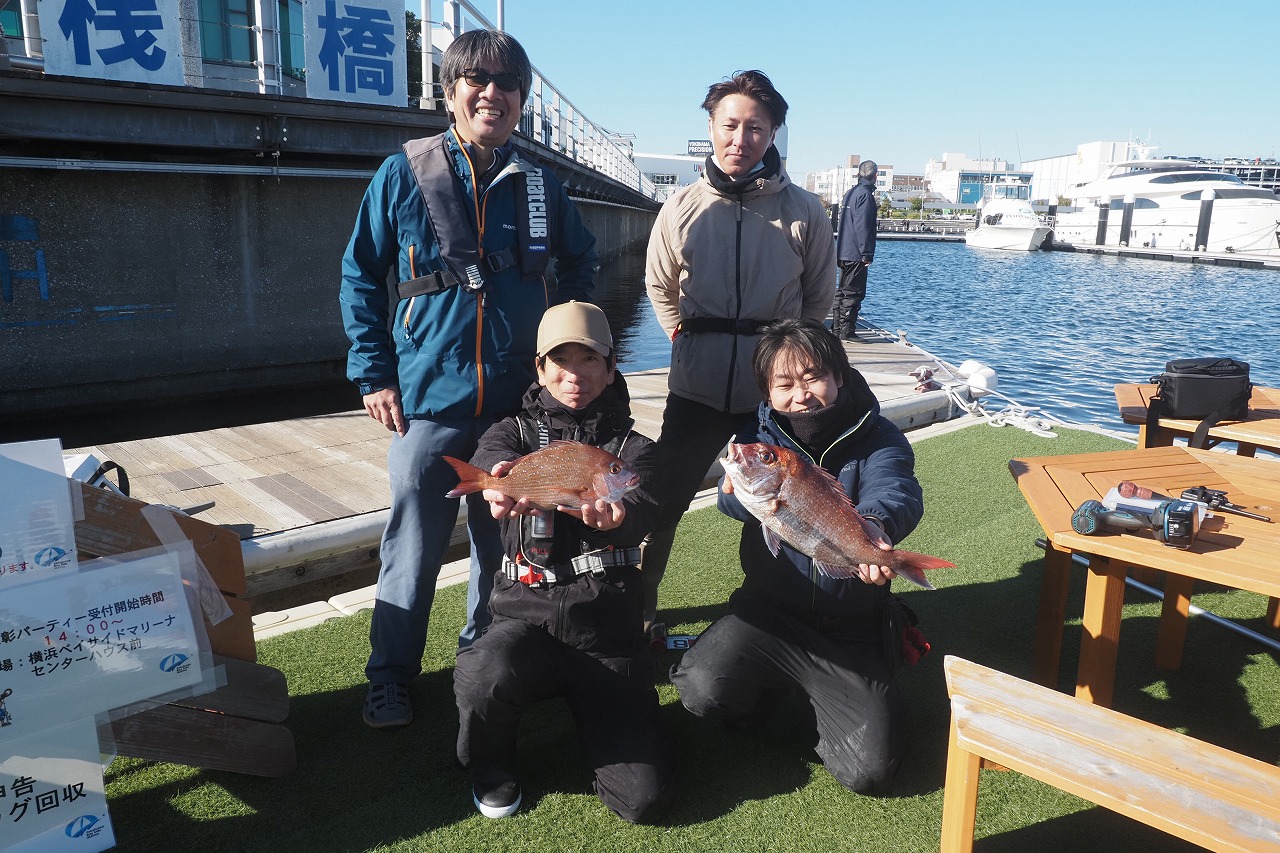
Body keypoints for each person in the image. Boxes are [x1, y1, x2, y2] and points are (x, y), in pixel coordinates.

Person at [339, 30, 598, 729]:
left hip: (515, 409)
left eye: (508, 84)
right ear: (450, 91)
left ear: (522, 99)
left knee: (503, 545)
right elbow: (361, 273)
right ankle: (390, 674)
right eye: (477, 81)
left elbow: (580, 261)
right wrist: (374, 371)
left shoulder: (540, 183)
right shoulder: (404, 173)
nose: (494, 94)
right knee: (412, 545)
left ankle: (480, 652)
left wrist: (567, 351)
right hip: (428, 401)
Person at [670, 318, 926, 794]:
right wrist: (733, 490)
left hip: (850, 626)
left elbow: (896, 488)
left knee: (870, 772)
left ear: (839, 377)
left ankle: (825, 696)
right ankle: (782, 691)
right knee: (701, 687)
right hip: (768, 616)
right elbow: (734, 498)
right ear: (767, 393)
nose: (801, 394)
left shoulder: (881, 438)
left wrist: (877, 529)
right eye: (784, 384)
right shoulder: (758, 441)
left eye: (812, 378)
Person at [453, 301, 672, 821]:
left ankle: (601, 722)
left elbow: (645, 505)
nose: (575, 375)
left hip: (605, 631)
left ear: (611, 367)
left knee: (645, 799)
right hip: (523, 616)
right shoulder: (512, 432)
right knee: (485, 668)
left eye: (589, 360)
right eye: (562, 361)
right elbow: (490, 461)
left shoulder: (632, 447)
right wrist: (495, 482)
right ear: (541, 369)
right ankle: (491, 766)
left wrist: (616, 521)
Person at [643, 69, 836, 641]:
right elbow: (660, 285)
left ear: (772, 133)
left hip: (772, 398)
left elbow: (819, 298)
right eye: (729, 125)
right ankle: (639, 612)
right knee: (662, 503)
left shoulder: (804, 210)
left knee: (788, 510)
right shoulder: (679, 207)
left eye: (756, 127)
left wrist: (789, 368)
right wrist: (682, 335)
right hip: (695, 390)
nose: (740, 138)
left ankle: (783, 613)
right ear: (711, 126)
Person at [832, 160, 879, 340]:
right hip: (856, 253)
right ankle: (847, 331)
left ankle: (836, 330)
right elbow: (863, 226)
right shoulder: (865, 195)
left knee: (842, 291)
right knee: (854, 292)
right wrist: (867, 252)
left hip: (843, 250)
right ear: (875, 176)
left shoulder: (850, 193)